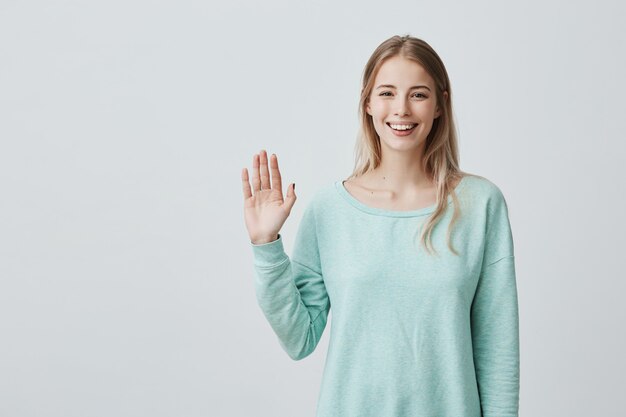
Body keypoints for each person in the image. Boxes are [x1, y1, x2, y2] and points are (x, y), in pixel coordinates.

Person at [241, 34, 519, 417]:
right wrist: (266, 244)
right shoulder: (329, 210)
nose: (401, 109)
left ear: (440, 105)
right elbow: (299, 338)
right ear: (368, 103)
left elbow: (497, 347)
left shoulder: (480, 204)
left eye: (418, 95)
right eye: (387, 93)